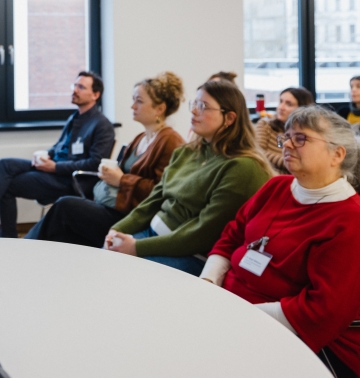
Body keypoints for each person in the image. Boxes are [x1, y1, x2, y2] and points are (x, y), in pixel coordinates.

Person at [200, 106, 360, 378]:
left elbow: (322, 312)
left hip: (311, 342)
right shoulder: (276, 187)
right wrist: (208, 283)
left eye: (301, 138)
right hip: (238, 314)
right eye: (287, 137)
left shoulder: (355, 222)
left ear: (337, 154)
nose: (288, 145)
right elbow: (232, 235)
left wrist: (241, 315)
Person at [103, 80, 271, 275]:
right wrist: (117, 230)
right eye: (194, 104)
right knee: (105, 259)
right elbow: (153, 201)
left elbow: (202, 233)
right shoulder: (187, 152)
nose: (193, 111)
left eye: (203, 106)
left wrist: (137, 248)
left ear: (230, 118)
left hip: (193, 255)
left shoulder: (243, 167)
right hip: (154, 236)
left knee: (121, 272)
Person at [0, 72, 116, 239]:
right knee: (5, 165)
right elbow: (59, 147)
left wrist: (55, 167)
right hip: (53, 169)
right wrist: (45, 155)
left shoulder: (102, 125)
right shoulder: (75, 117)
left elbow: (95, 164)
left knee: (6, 185)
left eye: (81, 87)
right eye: (75, 85)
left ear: (95, 95)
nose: (75, 90)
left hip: (70, 181)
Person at [25, 72, 185, 246]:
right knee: (61, 232)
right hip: (115, 206)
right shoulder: (140, 138)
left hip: (132, 218)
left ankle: (25, 249)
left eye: (139, 101)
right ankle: (30, 252)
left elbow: (163, 193)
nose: (132, 106)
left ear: (159, 109)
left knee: (65, 206)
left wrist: (122, 180)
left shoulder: (170, 141)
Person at [255, 87, 315, 174]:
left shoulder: (307, 134)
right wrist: (290, 162)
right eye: (281, 101)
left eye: (289, 104)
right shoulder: (265, 124)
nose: (281, 107)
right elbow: (257, 153)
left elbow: (309, 163)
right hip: (266, 174)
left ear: (302, 109)